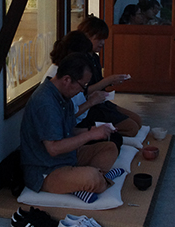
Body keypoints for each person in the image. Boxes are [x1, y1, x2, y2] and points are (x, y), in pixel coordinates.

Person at [20, 52, 125, 204]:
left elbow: (69, 130)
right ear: (67, 79)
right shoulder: (45, 103)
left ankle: (86, 182)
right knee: (92, 177)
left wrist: (93, 131)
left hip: (68, 158)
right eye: (83, 85)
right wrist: (90, 135)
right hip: (46, 170)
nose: (83, 91)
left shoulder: (62, 95)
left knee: (110, 148)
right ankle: (98, 179)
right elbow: (53, 148)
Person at [75, 16, 143, 136]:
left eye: (103, 39)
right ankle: (101, 134)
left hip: (102, 103)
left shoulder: (94, 57)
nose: (102, 43)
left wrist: (112, 81)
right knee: (132, 128)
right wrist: (107, 80)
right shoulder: (79, 61)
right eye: (99, 39)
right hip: (90, 108)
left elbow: (98, 83)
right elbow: (83, 91)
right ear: (87, 36)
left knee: (138, 120)